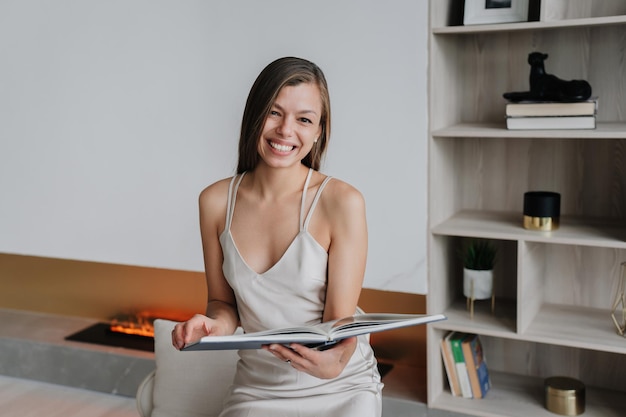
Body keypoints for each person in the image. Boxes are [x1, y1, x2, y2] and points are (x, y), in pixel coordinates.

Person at [171, 56, 382, 416]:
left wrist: (337, 361)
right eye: (274, 112)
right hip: (259, 389)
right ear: (254, 116)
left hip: (342, 384)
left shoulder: (341, 201)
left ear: (319, 130)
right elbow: (223, 306)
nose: (285, 130)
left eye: (304, 119)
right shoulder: (215, 201)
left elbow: (340, 321)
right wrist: (212, 325)